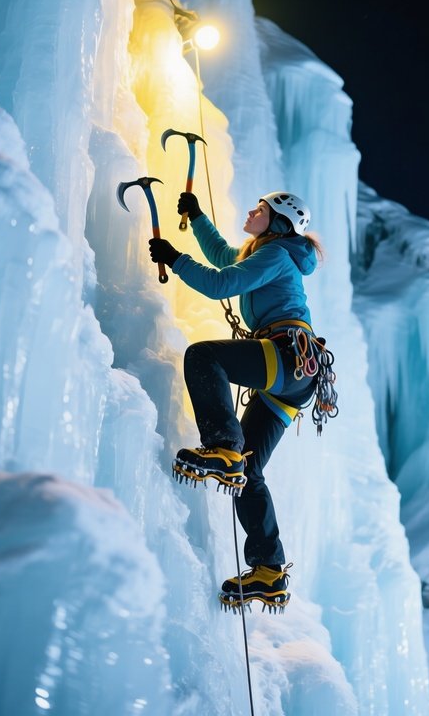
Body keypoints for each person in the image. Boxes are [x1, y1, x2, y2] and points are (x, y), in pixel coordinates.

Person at [148, 190, 323, 612]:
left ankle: (223, 447)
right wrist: (198, 218)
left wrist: (174, 258)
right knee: (251, 467)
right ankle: (269, 570)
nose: (251, 211)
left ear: (277, 221)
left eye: (260, 210)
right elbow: (228, 258)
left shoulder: (277, 254)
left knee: (204, 356)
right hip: (296, 373)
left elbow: (220, 283)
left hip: (285, 355)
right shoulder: (270, 253)